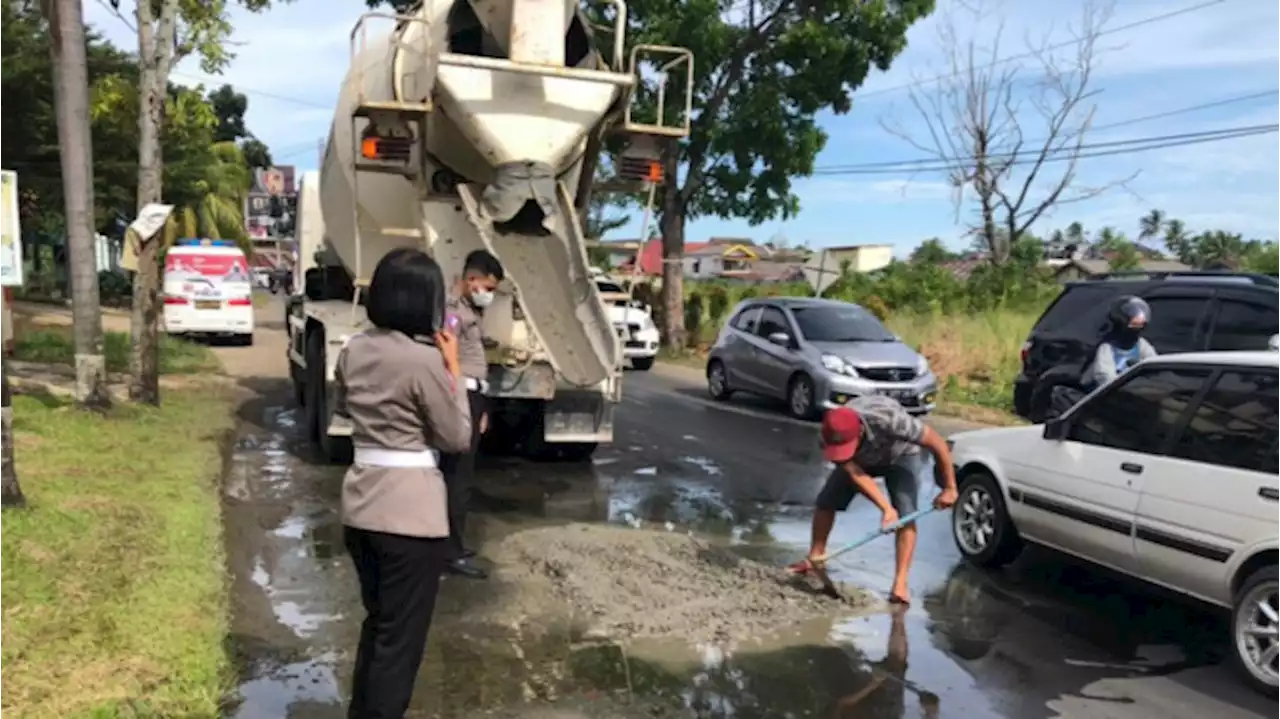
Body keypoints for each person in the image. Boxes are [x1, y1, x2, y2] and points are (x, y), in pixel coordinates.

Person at [334, 247, 473, 718]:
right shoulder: (423, 360)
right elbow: (456, 437)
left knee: (378, 628)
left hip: (361, 505)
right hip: (410, 516)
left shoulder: (353, 349)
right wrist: (454, 367)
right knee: (401, 644)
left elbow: (343, 409)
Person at [788, 396, 958, 605]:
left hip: (901, 455)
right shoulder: (828, 433)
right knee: (826, 501)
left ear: (860, 432)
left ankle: (900, 583)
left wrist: (950, 488)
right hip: (863, 460)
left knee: (906, 514)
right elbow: (855, 473)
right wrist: (885, 508)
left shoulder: (889, 420)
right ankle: (815, 558)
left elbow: (938, 444)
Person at [438, 249, 505, 580]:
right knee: (457, 477)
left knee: (462, 476)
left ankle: (455, 544)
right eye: (487, 287)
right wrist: (461, 404)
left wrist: (482, 407)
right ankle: (448, 553)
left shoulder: (469, 310)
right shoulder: (452, 311)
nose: (488, 294)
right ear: (471, 279)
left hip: (474, 394)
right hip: (461, 394)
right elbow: (447, 353)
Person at [1083, 295, 1156, 390]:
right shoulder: (1108, 347)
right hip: (1108, 395)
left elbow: (1153, 365)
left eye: (1140, 325)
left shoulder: (1141, 344)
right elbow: (1105, 376)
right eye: (1133, 324)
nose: (1136, 329)